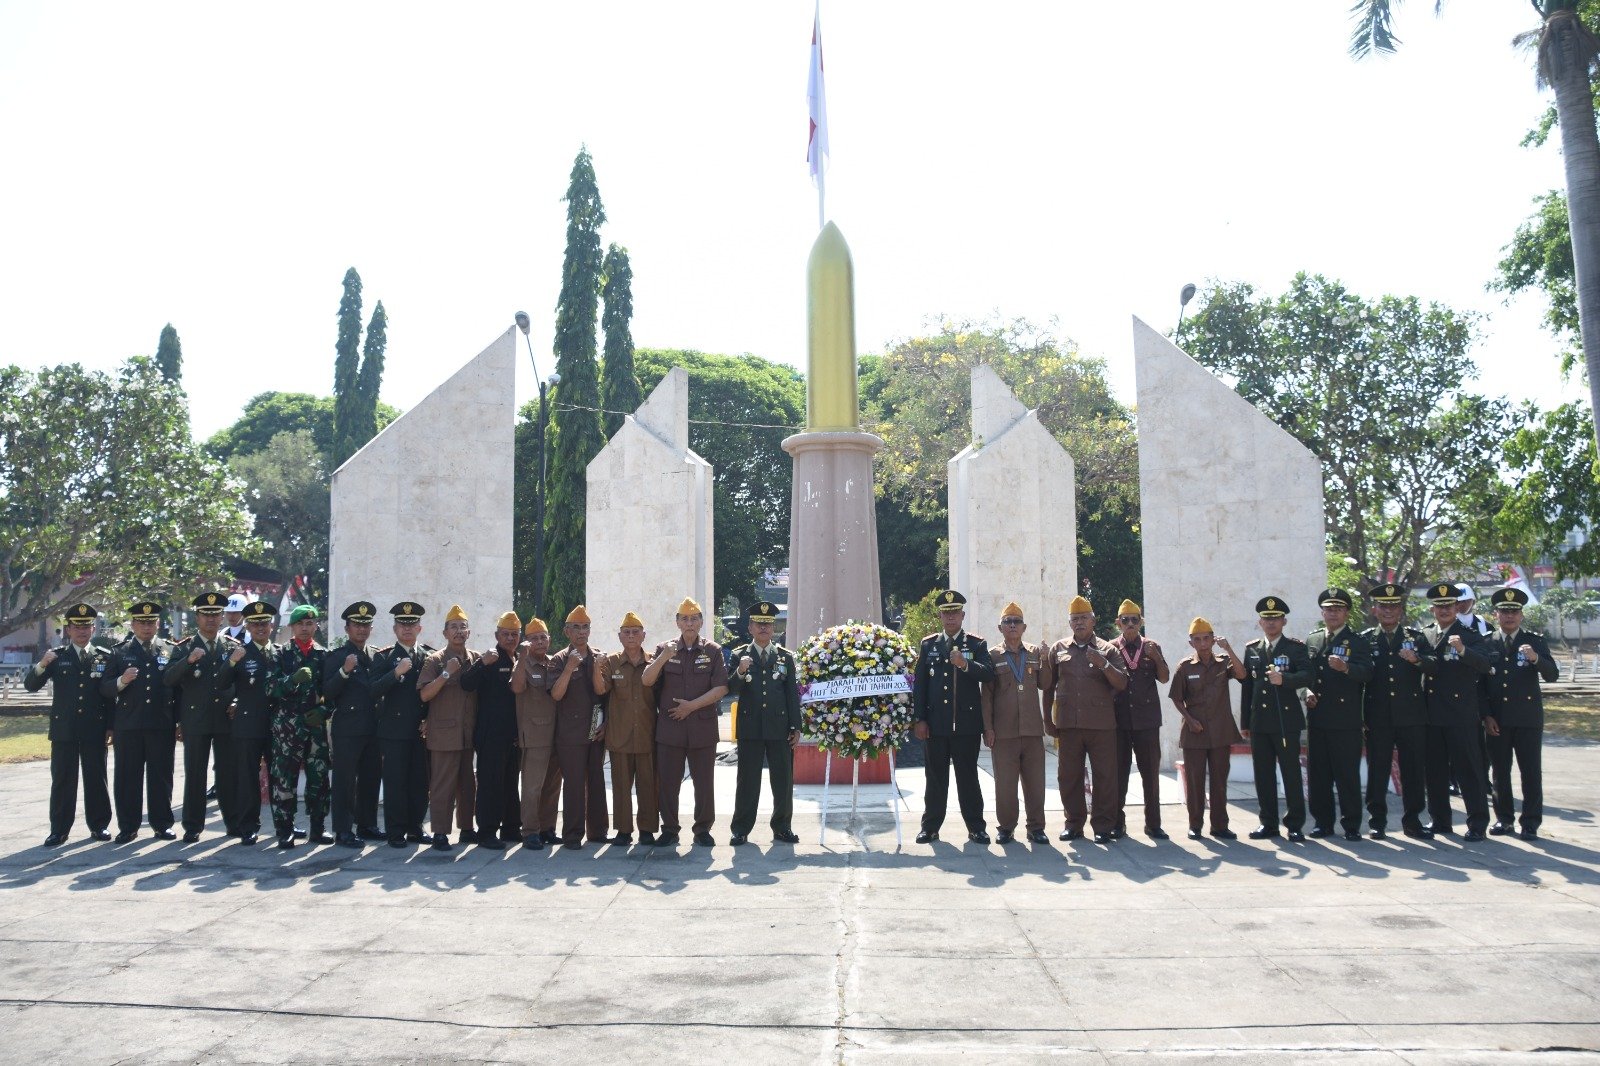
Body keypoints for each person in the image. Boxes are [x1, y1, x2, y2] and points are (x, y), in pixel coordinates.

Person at [25, 603, 113, 846]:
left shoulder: (104, 656)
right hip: (64, 730)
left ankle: (99, 825)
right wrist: (42, 664)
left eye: (86, 626)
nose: (82, 631)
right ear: (68, 629)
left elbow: (111, 697)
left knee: (96, 778)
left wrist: (111, 725)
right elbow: (30, 686)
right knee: (63, 780)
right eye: (77, 626)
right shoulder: (57, 656)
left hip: (94, 728)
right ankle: (59, 829)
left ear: (93, 628)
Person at [644, 597, 729, 847]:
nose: (689, 623)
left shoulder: (712, 651)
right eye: (684, 619)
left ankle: (702, 828)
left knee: (704, 783)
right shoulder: (664, 649)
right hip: (671, 727)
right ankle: (669, 829)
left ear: (701, 622)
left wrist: (691, 706)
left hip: (702, 727)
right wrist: (663, 657)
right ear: (677, 623)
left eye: (694, 618)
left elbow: (721, 688)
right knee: (668, 782)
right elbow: (647, 681)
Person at [1044, 595, 1128, 845]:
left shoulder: (1108, 649)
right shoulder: (1059, 649)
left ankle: (1103, 825)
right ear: (1070, 623)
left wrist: (1103, 664)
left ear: (1093, 621)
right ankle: (1073, 824)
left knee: (1105, 776)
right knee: (1068, 776)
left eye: (1084, 618)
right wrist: (1048, 719)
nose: (1079, 623)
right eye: (1075, 619)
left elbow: (1122, 683)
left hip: (1101, 726)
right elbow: (1048, 687)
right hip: (1068, 725)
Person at [913, 590, 995, 844]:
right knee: (935, 778)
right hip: (936, 725)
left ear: (963, 615)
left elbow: (988, 674)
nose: (950, 618)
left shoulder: (976, 644)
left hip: (966, 725)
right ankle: (931, 827)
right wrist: (920, 719)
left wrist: (964, 664)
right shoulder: (929, 645)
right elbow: (920, 685)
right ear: (940, 616)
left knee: (967, 777)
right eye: (946, 613)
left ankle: (976, 827)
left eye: (955, 613)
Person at [164, 591, 243, 843]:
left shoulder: (232, 646)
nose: (211, 620)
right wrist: (187, 661)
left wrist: (237, 701)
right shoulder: (185, 647)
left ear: (222, 617)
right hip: (195, 720)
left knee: (227, 774)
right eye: (206, 615)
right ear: (196, 617)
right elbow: (168, 680)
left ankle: (233, 822)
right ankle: (192, 826)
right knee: (195, 774)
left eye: (216, 615)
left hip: (225, 719)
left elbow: (243, 684)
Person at [1417, 581, 1494, 841]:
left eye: (1449, 605)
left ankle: (1477, 823)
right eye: (1439, 606)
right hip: (1431, 714)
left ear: (1456, 607)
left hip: (1461, 714)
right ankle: (1439, 821)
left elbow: (1485, 664)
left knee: (1469, 771)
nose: (1444, 610)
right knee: (1435, 772)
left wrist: (1463, 650)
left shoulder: (1470, 634)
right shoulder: (1425, 634)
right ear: (1432, 609)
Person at [1483, 586, 1559, 840]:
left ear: (1521, 615)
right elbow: (1479, 684)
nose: (1509, 617)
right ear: (1496, 615)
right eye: (1504, 612)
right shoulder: (1486, 642)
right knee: (1500, 772)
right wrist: (1486, 715)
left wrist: (1536, 658)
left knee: (1530, 772)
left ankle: (1530, 822)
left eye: (1514, 612)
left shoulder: (1535, 641)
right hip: (1498, 719)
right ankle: (1504, 819)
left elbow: (1552, 675)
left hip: (1527, 718)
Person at [100, 600, 179, 842]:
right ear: (133, 624)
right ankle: (128, 826)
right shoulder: (119, 652)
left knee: (161, 776)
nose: (147, 627)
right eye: (141, 622)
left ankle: (162, 823)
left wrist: (179, 721)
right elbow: (104, 688)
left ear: (157, 624)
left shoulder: (170, 650)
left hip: (161, 723)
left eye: (151, 622)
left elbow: (179, 690)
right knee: (127, 777)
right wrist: (121, 681)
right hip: (129, 724)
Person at [726, 601, 802, 846]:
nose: (764, 628)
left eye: (768, 624)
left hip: (779, 728)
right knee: (747, 781)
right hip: (750, 728)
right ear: (750, 627)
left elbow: (792, 694)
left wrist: (796, 727)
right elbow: (730, 690)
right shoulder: (739, 655)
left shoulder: (785, 657)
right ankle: (740, 829)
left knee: (783, 780)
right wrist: (740, 671)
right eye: (759, 623)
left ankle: (782, 827)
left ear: (774, 628)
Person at [1360, 583, 1431, 839]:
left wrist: (1418, 660)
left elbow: (1434, 665)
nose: (1388, 611)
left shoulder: (1416, 637)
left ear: (1400, 610)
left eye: (1393, 606)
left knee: (1413, 770)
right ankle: (1377, 821)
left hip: (1411, 715)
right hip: (1377, 716)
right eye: (1383, 606)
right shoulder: (1366, 639)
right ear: (1374, 609)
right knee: (1378, 769)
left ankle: (1412, 821)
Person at [1239, 596, 1313, 843]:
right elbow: (1247, 687)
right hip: (1260, 722)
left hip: (1285, 722)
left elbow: (1307, 676)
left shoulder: (1295, 648)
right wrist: (1245, 723)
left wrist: (1286, 680)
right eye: (1266, 619)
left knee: (1290, 773)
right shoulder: (1253, 649)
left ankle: (1294, 825)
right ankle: (1268, 823)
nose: (1271, 623)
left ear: (1284, 621)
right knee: (1263, 775)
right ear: (1260, 622)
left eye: (1275, 619)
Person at [1303, 588, 1373, 841]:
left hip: (1346, 720)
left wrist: (1346, 668)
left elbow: (1367, 674)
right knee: (1319, 775)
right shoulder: (1313, 640)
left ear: (1346, 613)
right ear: (1322, 612)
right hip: (1318, 717)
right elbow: (1306, 674)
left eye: (1338, 609)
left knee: (1347, 775)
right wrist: (1306, 692)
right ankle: (1322, 822)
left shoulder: (1358, 642)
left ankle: (1352, 824)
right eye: (1328, 609)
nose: (1332, 613)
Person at [1168, 617, 1245, 839]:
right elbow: (1176, 698)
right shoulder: (1184, 667)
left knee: (1219, 781)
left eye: (1206, 638)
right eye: (1197, 639)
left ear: (1213, 640)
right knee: (1195, 782)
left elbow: (1241, 674)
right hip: (1195, 733)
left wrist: (1229, 648)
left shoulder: (1223, 662)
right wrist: (1190, 720)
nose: (1202, 643)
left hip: (1221, 731)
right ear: (1191, 643)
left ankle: (1220, 825)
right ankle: (1195, 824)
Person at [979, 601, 1049, 845]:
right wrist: (987, 728)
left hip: (1031, 730)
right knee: (1005, 786)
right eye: (1007, 622)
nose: (1012, 626)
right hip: (1004, 732)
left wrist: (1047, 660)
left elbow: (1045, 684)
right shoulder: (992, 656)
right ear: (1000, 628)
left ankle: (1036, 828)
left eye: (1016, 622)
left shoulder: (1034, 654)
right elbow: (986, 696)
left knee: (1035, 784)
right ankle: (1006, 827)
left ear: (1024, 627)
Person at [596, 611, 660, 846]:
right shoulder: (611, 662)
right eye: (627, 633)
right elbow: (601, 690)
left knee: (648, 786)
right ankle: (623, 830)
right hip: (619, 735)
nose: (631, 636)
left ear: (644, 635)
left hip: (647, 734)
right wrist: (596, 667)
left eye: (636, 632)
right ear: (620, 637)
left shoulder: (654, 662)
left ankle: (647, 829)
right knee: (621, 787)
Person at [322, 600, 383, 848]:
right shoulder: (337, 657)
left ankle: (366, 824)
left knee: (371, 778)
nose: (362, 629)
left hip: (373, 727)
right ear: (347, 628)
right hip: (348, 728)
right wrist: (344, 671)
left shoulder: (376, 656)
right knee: (345, 781)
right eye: (357, 625)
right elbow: (327, 691)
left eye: (366, 625)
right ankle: (343, 830)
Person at [372, 601, 433, 848]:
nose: (407, 629)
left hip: (420, 730)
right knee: (396, 782)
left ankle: (416, 828)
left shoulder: (429, 655)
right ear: (395, 628)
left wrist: (430, 719)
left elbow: (434, 694)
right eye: (402, 625)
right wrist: (395, 673)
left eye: (412, 625)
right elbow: (373, 690)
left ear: (420, 628)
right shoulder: (384, 657)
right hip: (394, 731)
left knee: (420, 782)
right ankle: (395, 831)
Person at [271, 605, 332, 848]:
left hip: (315, 728)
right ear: (292, 627)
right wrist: (291, 680)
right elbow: (269, 689)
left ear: (316, 626)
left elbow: (333, 691)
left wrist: (325, 710)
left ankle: (318, 827)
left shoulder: (324, 655)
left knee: (318, 778)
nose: (305, 628)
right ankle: (285, 829)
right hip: (287, 727)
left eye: (310, 623)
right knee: (285, 778)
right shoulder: (281, 654)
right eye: (300, 624)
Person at [419, 605, 479, 850]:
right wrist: (445, 673)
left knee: (467, 784)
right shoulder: (434, 660)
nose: (458, 631)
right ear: (445, 633)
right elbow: (424, 694)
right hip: (443, 734)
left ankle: (466, 828)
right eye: (453, 627)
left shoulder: (475, 659)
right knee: (442, 785)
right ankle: (440, 833)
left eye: (462, 627)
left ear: (469, 632)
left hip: (467, 733)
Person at [1109, 599, 1169, 840]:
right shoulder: (1110, 647)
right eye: (1126, 620)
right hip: (1119, 721)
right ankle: (1117, 822)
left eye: (1135, 619)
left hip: (1147, 722)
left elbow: (1164, 678)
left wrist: (1156, 658)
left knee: (1150, 774)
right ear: (1118, 623)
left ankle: (1153, 824)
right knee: (1118, 773)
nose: (1131, 624)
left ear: (1141, 622)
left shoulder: (1151, 646)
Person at [550, 605, 609, 848]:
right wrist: (569, 669)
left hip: (595, 730)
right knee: (573, 784)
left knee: (596, 781)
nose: (581, 632)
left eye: (585, 627)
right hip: (570, 733)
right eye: (576, 627)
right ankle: (573, 834)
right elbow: (555, 695)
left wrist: (606, 724)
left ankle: (598, 832)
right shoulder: (559, 660)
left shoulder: (599, 657)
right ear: (566, 632)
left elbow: (603, 693)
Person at [462, 611, 523, 848]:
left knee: (509, 782)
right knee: (490, 784)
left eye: (514, 634)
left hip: (512, 735)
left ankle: (510, 828)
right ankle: (487, 832)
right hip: (490, 734)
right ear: (497, 635)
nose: (510, 638)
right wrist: (480, 664)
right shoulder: (490, 658)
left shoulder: (518, 658)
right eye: (506, 634)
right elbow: (466, 684)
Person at [227, 600, 281, 845]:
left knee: (279, 777)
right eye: (255, 624)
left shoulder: (281, 652)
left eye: (264, 623)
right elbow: (220, 684)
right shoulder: (240, 652)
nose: (260, 628)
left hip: (277, 725)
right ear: (247, 626)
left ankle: (283, 825)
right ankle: (248, 826)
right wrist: (231, 663)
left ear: (271, 625)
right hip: (248, 724)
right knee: (247, 778)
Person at [510, 616, 560, 850]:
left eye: (543, 637)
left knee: (552, 785)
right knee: (532, 786)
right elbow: (517, 687)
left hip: (556, 734)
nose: (539, 642)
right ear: (526, 642)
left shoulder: (553, 662)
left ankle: (547, 828)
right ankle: (530, 831)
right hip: (534, 735)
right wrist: (521, 658)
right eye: (534, 638)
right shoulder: (523, 664)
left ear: (549, 639)